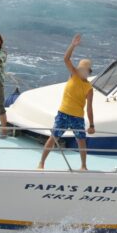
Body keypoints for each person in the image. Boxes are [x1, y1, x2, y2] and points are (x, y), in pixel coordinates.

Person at [37, 34, 95, 171]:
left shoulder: (89, 88)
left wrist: (92, 125)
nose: (82, 72)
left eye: (85, 70)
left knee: (81, 141)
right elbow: (66, 59)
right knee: (53, 138)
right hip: (63, 113)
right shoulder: (73, 75)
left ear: (89, 71)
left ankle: (83, 166)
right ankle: (41, 163)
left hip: (77, 117)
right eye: (80, 69)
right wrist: (73, 45)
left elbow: (90, 108)